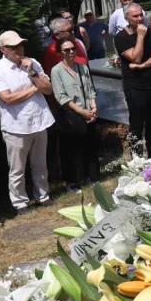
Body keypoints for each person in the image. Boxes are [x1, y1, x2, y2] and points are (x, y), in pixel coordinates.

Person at [0, 31, 54, 212]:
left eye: (20, 45)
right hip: (16, 126)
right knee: (17, 169)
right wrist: (35, 88)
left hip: (39, 120)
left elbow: (48, 89)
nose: (19, 49)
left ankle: (43, 196)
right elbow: (8, 99)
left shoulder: (32, 63)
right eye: (14, 47)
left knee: (40, 164)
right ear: (3, 49)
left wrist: (32, 72)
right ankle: (20, 203)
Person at [116, 2, 151, 157]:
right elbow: (135, 58)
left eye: (141, 15)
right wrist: (140, 37)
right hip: (135, 86)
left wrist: (143, 66)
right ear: (127, 18)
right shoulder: (121, 38)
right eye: (135, 16)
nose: (139, 19)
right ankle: (136, 160)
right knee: (137, 125)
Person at [51, 39, 99, 190]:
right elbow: (61, 97)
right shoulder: (56, 71)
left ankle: (92, 177)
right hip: (70, 115)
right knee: (72, 151)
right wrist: (80, 111)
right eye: (67, 50)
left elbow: (90, 89)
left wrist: (93, 106)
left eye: (73, 49)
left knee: (90, 147)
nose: (71, 52)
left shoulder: (82, 67)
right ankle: (73, 181)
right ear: (60, 53)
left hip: (87, 112)